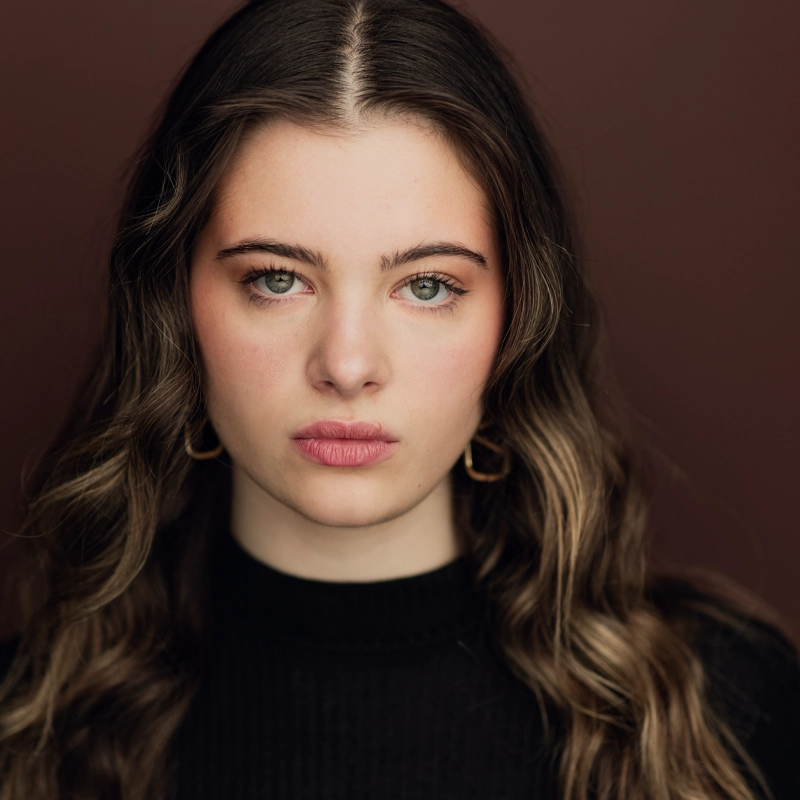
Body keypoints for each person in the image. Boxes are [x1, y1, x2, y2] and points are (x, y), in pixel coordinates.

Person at [1, 0, 798, 797]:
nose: (348, 365)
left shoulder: (728, 707)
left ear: (518, 316)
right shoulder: (27, 728)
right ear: (174, 306)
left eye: (425, 285)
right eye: (277, 280)